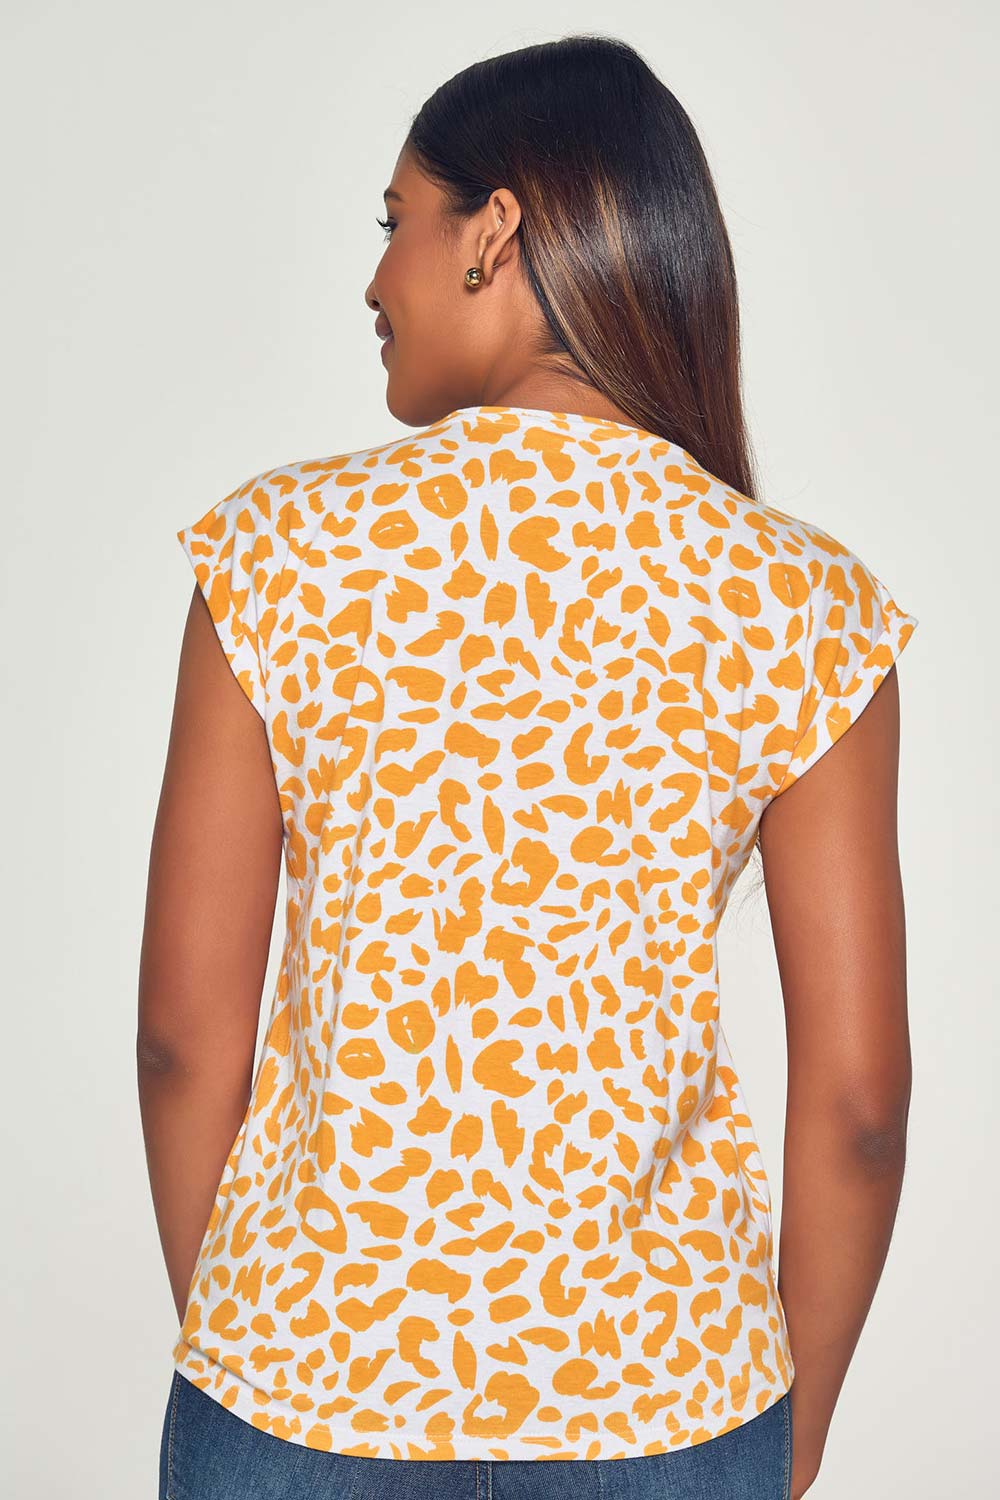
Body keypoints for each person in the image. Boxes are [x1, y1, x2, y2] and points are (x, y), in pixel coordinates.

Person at [139, 33, 918, 1500]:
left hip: (299, 1387)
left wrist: (253, 1334)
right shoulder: (800, 605)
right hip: (669, 1404)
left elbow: (183, 1035)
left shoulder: (277, 556)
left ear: (491, 231)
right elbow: (861, 1108)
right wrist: (786, 1442)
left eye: (395, 221)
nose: (375, 280)